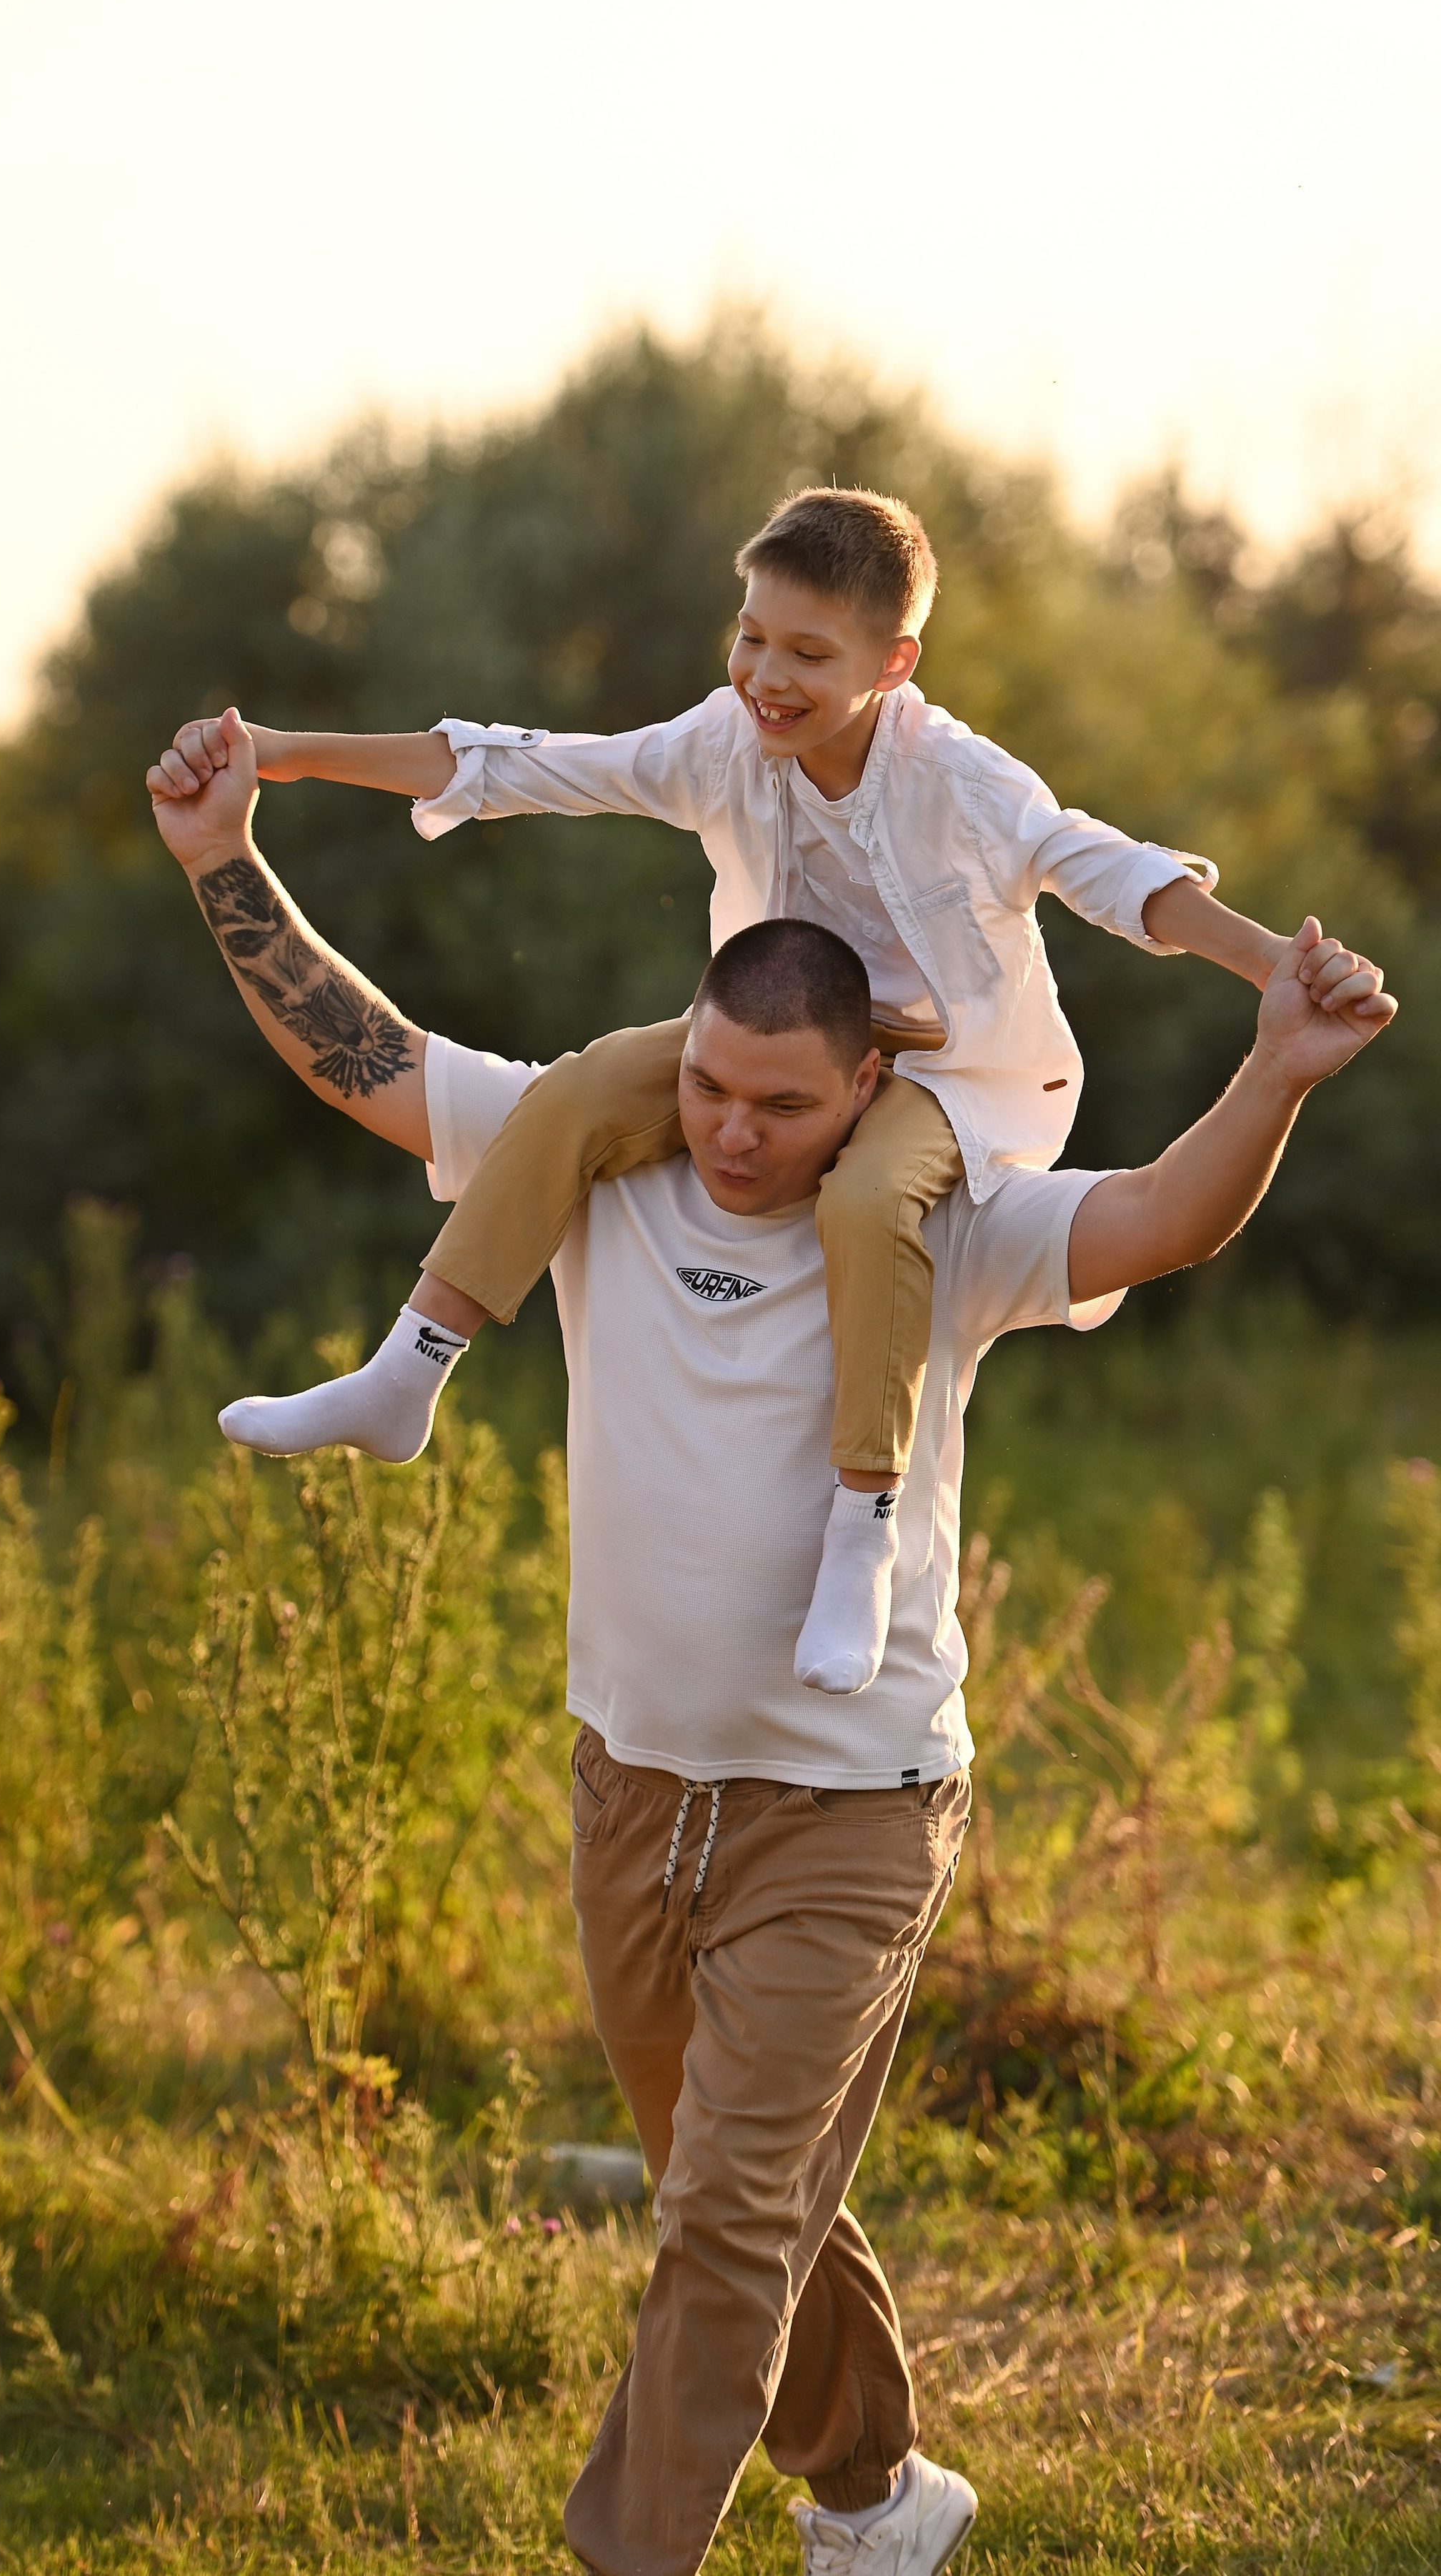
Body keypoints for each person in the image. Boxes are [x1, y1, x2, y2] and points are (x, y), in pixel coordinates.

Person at [146, 716, 1392, 2576]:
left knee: (725, 2217)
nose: (735, 1129)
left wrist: (1277, 1075)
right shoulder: (597, 1157)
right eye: (713, 1087)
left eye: (781, 1108)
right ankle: (883, 2500)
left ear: (870, 1092)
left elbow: (1155, 1219)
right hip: (635, 1790)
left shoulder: (939, 1220)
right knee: (740, 2192)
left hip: (854, 1805)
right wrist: (219, 864)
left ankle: (624, 2551)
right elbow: (371, 1062)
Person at [154, 485, 1306, 1696]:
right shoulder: (723, 741)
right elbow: (508, 765)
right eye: (753, 635)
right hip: (770, 1029)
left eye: (811, 653)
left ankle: (861, 1526)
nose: (768, 673)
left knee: (866, 1205)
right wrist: (277, 758)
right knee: (583, 1086)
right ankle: (409, 1371)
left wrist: (1273, 966)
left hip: (939, 1078)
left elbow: (1114, 874)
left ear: (894, 663)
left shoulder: (963, 783)